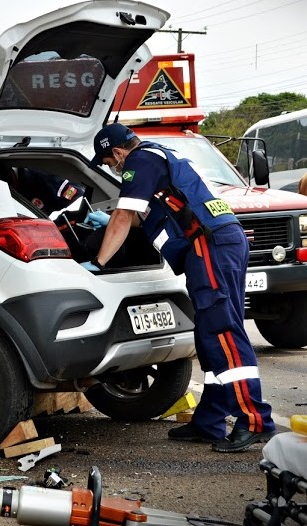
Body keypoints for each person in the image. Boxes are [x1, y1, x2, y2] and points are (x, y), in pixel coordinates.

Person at [86, 123, 275, 453]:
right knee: (209, 335)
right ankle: (210, 421)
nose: (109, 168)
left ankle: (256, 420)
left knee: (223, 332)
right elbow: (141, 215)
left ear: (116, 153)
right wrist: (114, 219)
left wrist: (100, 261)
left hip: (209, 247)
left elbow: (123, 216)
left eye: (106, 162)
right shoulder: (161, 155)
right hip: (218, 243)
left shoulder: (139, 161)